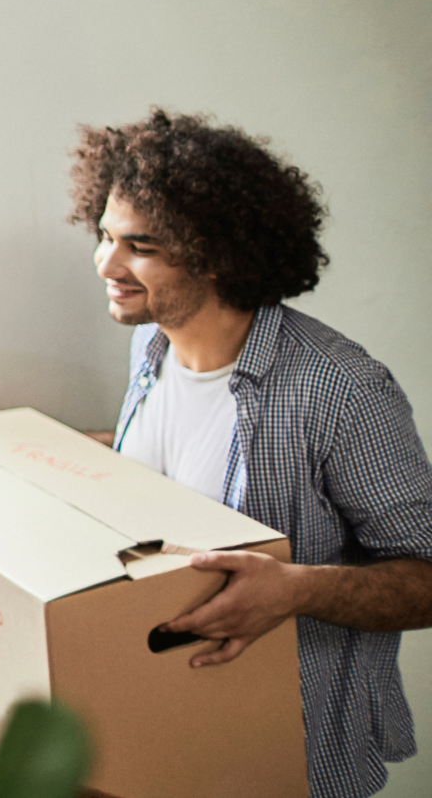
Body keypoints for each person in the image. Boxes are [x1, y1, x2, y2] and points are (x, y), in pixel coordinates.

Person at [74, 108, 432, 798]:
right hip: (173, 730)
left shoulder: (340, 388)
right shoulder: (150, 345)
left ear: (217, 256)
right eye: (104, 235)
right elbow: (177, 478)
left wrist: (297, 591)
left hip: (292, 756)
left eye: (139, 246)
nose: (106, 264)